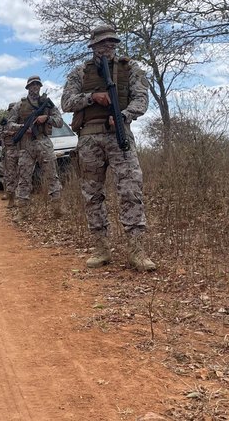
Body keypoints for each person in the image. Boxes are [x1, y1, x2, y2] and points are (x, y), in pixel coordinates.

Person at [61, 24, 155, 272]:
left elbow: (141, 100)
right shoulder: (80, 72)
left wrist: (123, 114)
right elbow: (67, 102)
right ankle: (101, 249)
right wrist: (93, 97)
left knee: (131, 190)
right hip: (89, 139)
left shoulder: (130, 68)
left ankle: (137, 251)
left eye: (112, 43)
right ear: (93, 46)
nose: (108, 48)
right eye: (103, 44)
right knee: (92, 195)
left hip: (119, 135)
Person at [7, 75, 64, 211]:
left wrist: (47, 118)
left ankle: (57, 208)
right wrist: (22, 127)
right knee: (24, 178)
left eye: (37, 84)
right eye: (32, 85)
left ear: (40, 86)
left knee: (52, 175)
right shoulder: (19, 105)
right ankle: (22, 210)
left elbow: (59, 122)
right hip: (26, 145)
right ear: (27, 87)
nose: (35, 87)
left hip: (43, 141)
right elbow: (9, 125)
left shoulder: (47, 104)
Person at [0, 102, 20, 207]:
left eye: (13, 109)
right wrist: (7, 133)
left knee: (21, 173)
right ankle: (9, 194)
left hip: (21, 149)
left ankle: (19, 195)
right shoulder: (4, 123)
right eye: (10, 110)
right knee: (9, 174)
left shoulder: (20, 121)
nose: (12, 111)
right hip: (8, 150)